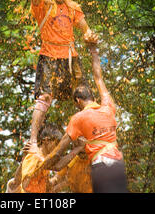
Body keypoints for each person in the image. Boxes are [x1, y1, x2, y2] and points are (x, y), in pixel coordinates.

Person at [26, 0, 98, 154]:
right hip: (49, 55)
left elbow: (85, 29)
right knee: (45, 97)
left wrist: (90, 35)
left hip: (70, 57)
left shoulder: (72, 7)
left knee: (84, 95)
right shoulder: (43, 5)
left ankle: (90, 136)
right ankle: (33, 140)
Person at [39, 45, 129, 193]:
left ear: (78, 101)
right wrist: (94, 51)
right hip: (117, 163)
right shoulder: (108, 106)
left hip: (101, 164)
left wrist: (40, 165)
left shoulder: (79, 118)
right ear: (92, 97)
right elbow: (98, 77)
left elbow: (57, 152)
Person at [6, 124, 84, 193]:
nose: (58, 149)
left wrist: (65, 182)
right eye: (57, 144)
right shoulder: (34, 156)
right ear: (46, 140)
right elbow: (57, 166)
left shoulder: (43, 160)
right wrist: (78, 148)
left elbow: (47, 187)